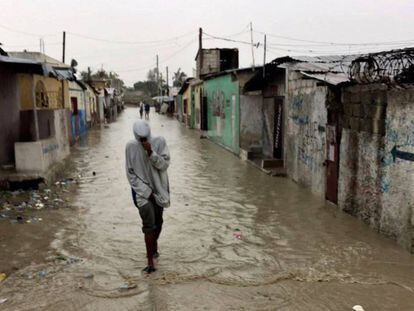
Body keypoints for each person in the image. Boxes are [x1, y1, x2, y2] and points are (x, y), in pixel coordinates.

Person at [125, 120, 170, 274]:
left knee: (159, 222)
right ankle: (150, 261)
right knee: (149, 226)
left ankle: (154, 246)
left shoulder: (159, 142)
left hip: (159, 190)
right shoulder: (130, 147)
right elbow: (130, 174)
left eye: (146, 138)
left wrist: (151, 153)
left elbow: (164, 165)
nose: (144, 141)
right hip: (141, 194)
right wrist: (145, 192)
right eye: (141, 139)